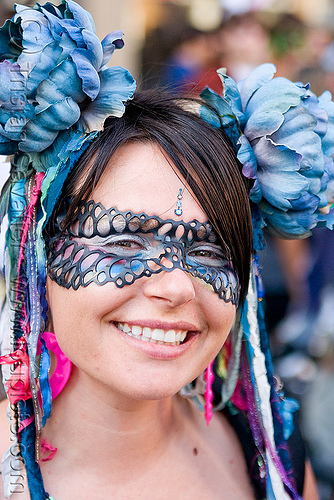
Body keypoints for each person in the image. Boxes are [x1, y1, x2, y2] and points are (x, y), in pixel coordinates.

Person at [0, 1, 332, 499]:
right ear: (41, 252)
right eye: (124, 241)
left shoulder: (273, 454)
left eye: (210, 252)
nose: (177, 287)